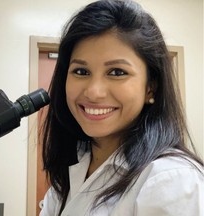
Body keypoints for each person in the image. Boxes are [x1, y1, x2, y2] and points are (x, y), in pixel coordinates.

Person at [39, 0, 204, 215]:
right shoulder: (73, 170)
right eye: (81, 71)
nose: (93, 92)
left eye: (117, 72)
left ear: (150, 88)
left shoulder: (170, 179)